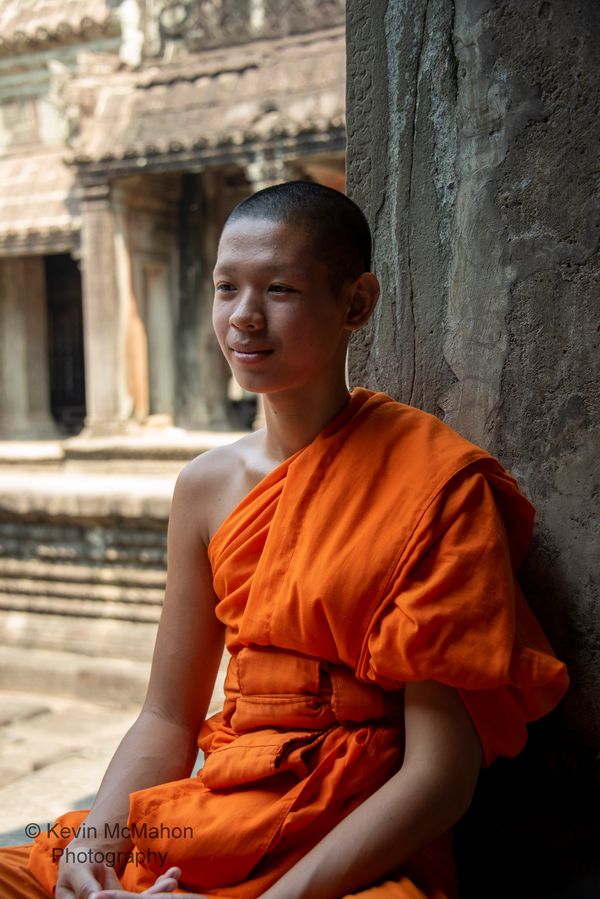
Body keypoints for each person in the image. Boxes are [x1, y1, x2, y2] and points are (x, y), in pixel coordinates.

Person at [0, 182, 569, 899]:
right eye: (226, 287)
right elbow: (167, 714)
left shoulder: (436, 485)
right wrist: (95, 848)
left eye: (280, 289)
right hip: (225, 811)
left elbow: (440, 773)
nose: (244, 317)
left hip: (356, 839)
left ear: (356, 303)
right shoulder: (206, 487)